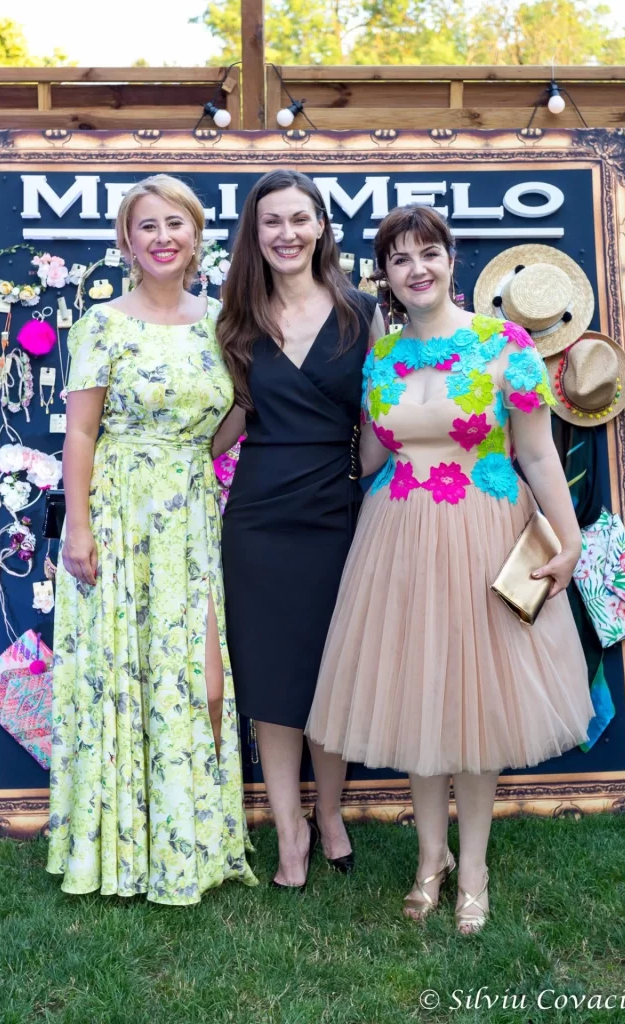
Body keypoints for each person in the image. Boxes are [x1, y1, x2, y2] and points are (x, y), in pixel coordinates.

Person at [306, 206, 594, 932]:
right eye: (400, 259)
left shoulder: (504, 343)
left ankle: (474, 871)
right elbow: (373, 454)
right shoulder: (382, 356)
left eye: (428, 253)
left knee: (475, 701)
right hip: (398, 535)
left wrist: (568, 539)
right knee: (420, 693)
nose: (417, 269)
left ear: (450, 260)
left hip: (484, 531)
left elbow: (538, 452)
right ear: (386, 275)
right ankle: (428, 861)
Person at [47, 174, 257, 905]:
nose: (163, 237)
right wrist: (78, 527)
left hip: (189, 515)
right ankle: (120, 850)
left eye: (175, 223)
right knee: (119, 676)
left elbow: (240, 412)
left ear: (196, 236)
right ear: (127, 242)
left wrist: (194, 456)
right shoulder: (101, 323)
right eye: (147, 226)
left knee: (203, 680)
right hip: (117, 512)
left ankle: (193, 841)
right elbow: (81, 431)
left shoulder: (223, 323)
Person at [214, 170, 383, 889]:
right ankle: (291, 832)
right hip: (258, 518)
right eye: (271, 221)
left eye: (299, 218)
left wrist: (353, 490)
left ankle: (332, 813)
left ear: (320, 227)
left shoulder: (363, 312)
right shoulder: (235, 319)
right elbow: (229, 417)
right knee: (272, 677)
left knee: (327, 673)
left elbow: (377, 425)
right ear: (254, 235)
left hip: (333, 514)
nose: (287, 233)